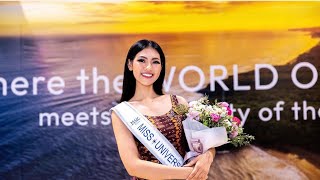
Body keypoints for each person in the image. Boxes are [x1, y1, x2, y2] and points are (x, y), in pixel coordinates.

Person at [111, 39, 215, 180]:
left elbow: (204, 145)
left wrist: (207, 157)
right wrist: (191, 173)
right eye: (142, 60)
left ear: (161, 67)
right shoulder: (122, 113)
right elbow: (133, 166)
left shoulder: (178, 102)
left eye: (155, 62)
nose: (149, 67)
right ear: (130, 64)